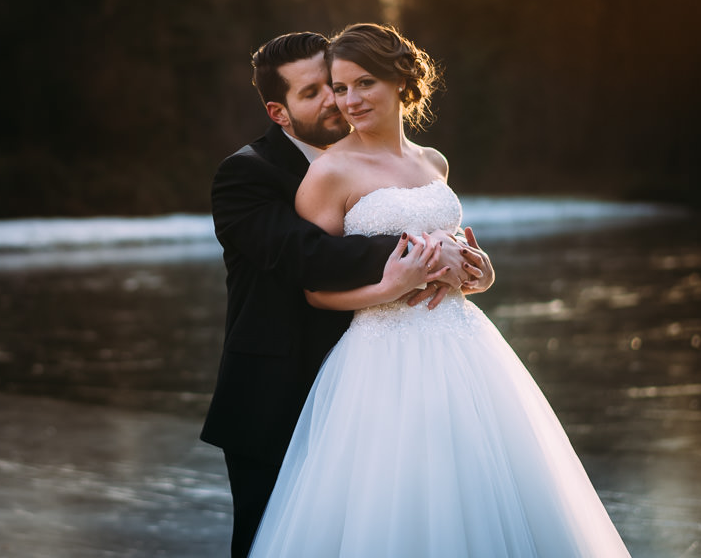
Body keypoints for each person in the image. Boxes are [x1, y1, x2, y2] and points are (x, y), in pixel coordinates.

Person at [247, 23, 630, 557]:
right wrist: (387, 286)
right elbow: (313, 290)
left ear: (400, 83)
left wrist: (481, 272)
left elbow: (453, 258)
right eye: (339, 87)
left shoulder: (433, 162)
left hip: (466, 347)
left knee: (484, 488)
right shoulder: (330, 173)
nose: (349, 100)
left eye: (364, 84)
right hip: (381, 359)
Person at [201, 32, 494, 558]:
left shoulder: (394, 155)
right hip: (279, 386)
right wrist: (429, 252)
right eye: (313, 92)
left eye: (337, 85)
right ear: (279, 111)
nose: (337, 100)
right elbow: (305, 255)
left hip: (391, 373)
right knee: (277, 537)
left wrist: (465, 260)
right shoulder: (245, 173)